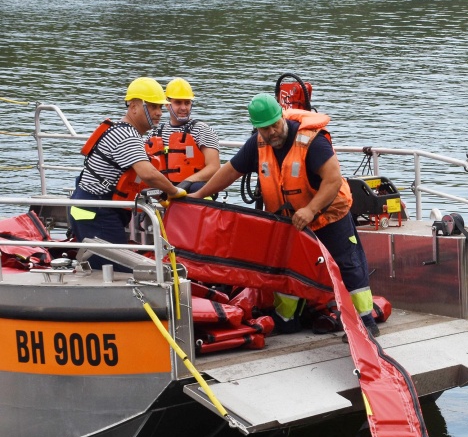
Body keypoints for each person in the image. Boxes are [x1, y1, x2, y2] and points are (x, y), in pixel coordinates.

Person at [195, 93, 380, 337]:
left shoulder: (312, 141)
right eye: (264, 128)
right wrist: (196, 197)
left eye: (275, 124)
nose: (272, 132)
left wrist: (311, 209)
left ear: (282, 117)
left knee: (348, 264)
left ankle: (365, 321)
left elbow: (333, 179)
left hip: (328, 214)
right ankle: (286, 319)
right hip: (291, 221)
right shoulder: (257, 144)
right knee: (286, 268)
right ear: (256, 128)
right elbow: (229, 172)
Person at [69, 77, 186, 267]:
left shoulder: (124, 131)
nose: (158, 113)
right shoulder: (127, 136)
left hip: (92, 209)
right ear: (134, 107)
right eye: (152, 107)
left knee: (109, 267)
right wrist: (174, 191)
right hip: (95, 212)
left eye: (160, 108)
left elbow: (138, 179)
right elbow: (147, 173)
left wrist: (160, 194)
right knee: (117, 271)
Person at [148, 78, 221, 193]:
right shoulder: (156, 132)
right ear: (167, 104)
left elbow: (214, 167)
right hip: (162, 189)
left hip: (192, 189)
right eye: (178, 102)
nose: (183, 108)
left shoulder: (202, 130)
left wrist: (186, 183)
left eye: (187, 103)